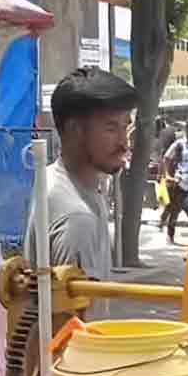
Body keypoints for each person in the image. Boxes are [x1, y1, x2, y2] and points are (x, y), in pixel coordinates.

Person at [25, 67, 136, 323]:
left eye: (124, 128)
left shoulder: (56, 179)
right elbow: (68, 330)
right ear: (74, 129)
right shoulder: (77, 217)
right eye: (111, 128)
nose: (123, 142)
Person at [156, 116, 179, 231]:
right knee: (173, 199)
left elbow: (162, 156)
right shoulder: (173, 133)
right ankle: (163, 220)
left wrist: (160, 175)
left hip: (167, 170)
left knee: (171, 199)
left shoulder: (162, 135)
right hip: (171, 171)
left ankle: (163, 220)